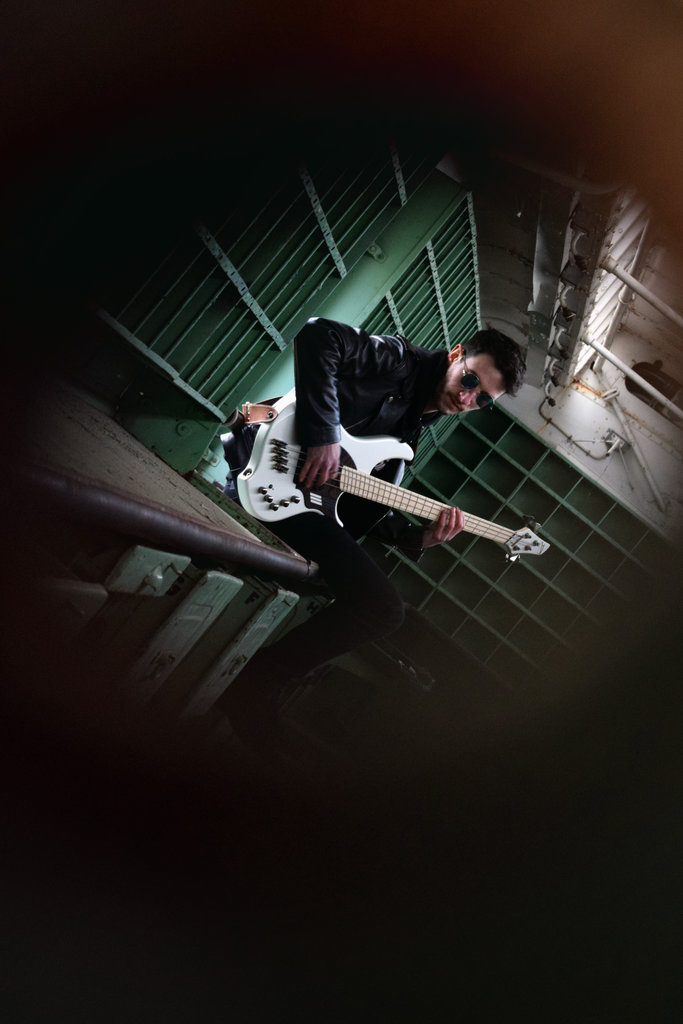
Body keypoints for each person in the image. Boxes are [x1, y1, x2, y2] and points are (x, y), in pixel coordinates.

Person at [219, 316, 526, 745]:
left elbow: (360, 504)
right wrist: (323, 433)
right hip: (269, 477)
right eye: (470, 379)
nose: (467, 397)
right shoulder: (400, 361)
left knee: (368, 598)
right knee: (383, 609)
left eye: (483, 400)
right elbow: (319, 334)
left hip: (300, 503)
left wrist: (421, 538)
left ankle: (252, 683)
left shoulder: (414, 428)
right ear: (456, 355)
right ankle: (253, 685)